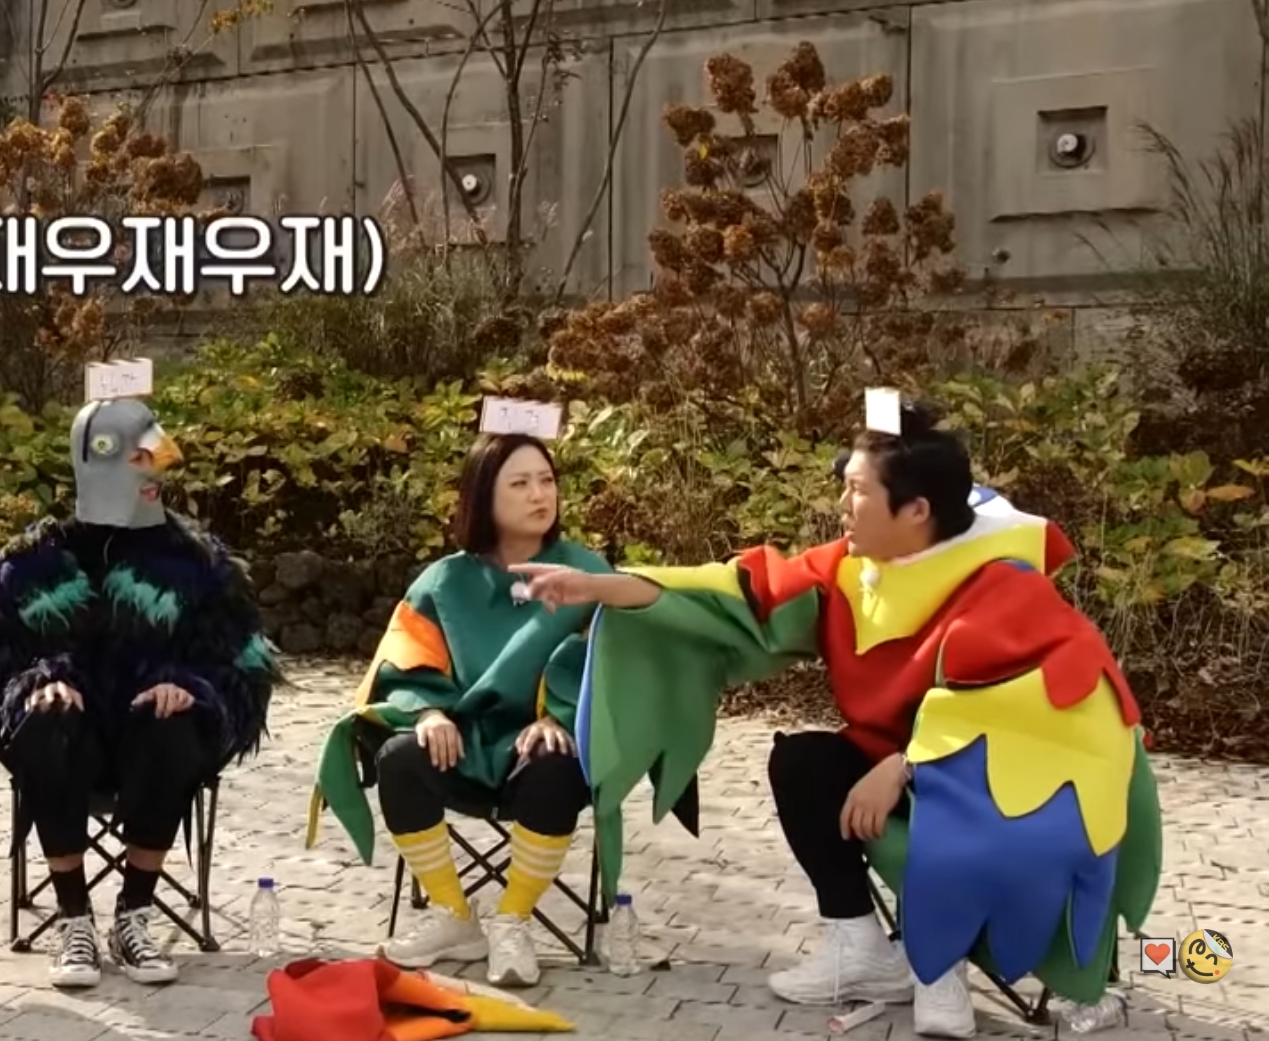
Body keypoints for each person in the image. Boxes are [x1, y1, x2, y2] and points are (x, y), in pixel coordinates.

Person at [510, 398, 1161, 1039]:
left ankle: (939, 964)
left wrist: (905, 767)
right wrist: (600, 586)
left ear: (916, 510)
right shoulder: (850, 570)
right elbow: (734, 596)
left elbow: (1038, 716)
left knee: (967, 819)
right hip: (893, 768)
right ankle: (860, 947)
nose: (841, 505)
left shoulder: (1006, 585)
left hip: (982, 786)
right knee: (803, 763)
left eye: (857, 490)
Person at [0, 376, 280, 990]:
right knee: (47, 719)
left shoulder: (197, 563)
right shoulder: (32, 563)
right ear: (95, 456)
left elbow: (246, 664)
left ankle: (134, 915)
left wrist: (191, 688)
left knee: (170, 719)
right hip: (68, 747)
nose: (157, 464)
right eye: (135, 452)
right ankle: (74, 920)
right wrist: (35, 685)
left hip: (153, 749)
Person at [306, 425, 612, 988]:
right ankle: (453, 915)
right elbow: (404, 660)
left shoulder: (586, 572)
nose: (539, 494)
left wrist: (561, 715)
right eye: (520, 483)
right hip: (464, 743)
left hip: (540, 750)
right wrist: (428, 712)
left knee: (556, 764)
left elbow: (616, 660)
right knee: (401, 756)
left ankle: (513, 919)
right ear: (482, 495)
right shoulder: (443, 580)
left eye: (547, 480)